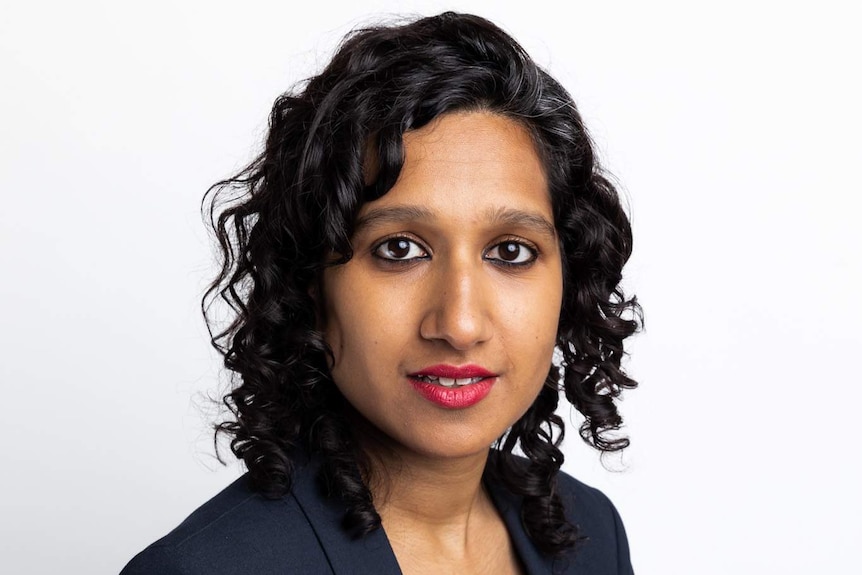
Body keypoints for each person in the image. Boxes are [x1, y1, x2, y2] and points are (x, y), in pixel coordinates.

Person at [122, 11, 640, 575]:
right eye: (399, 249)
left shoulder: (592, 534)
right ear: (311, 284)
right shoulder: (207, 568)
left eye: (509, 251)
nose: (460, 323)